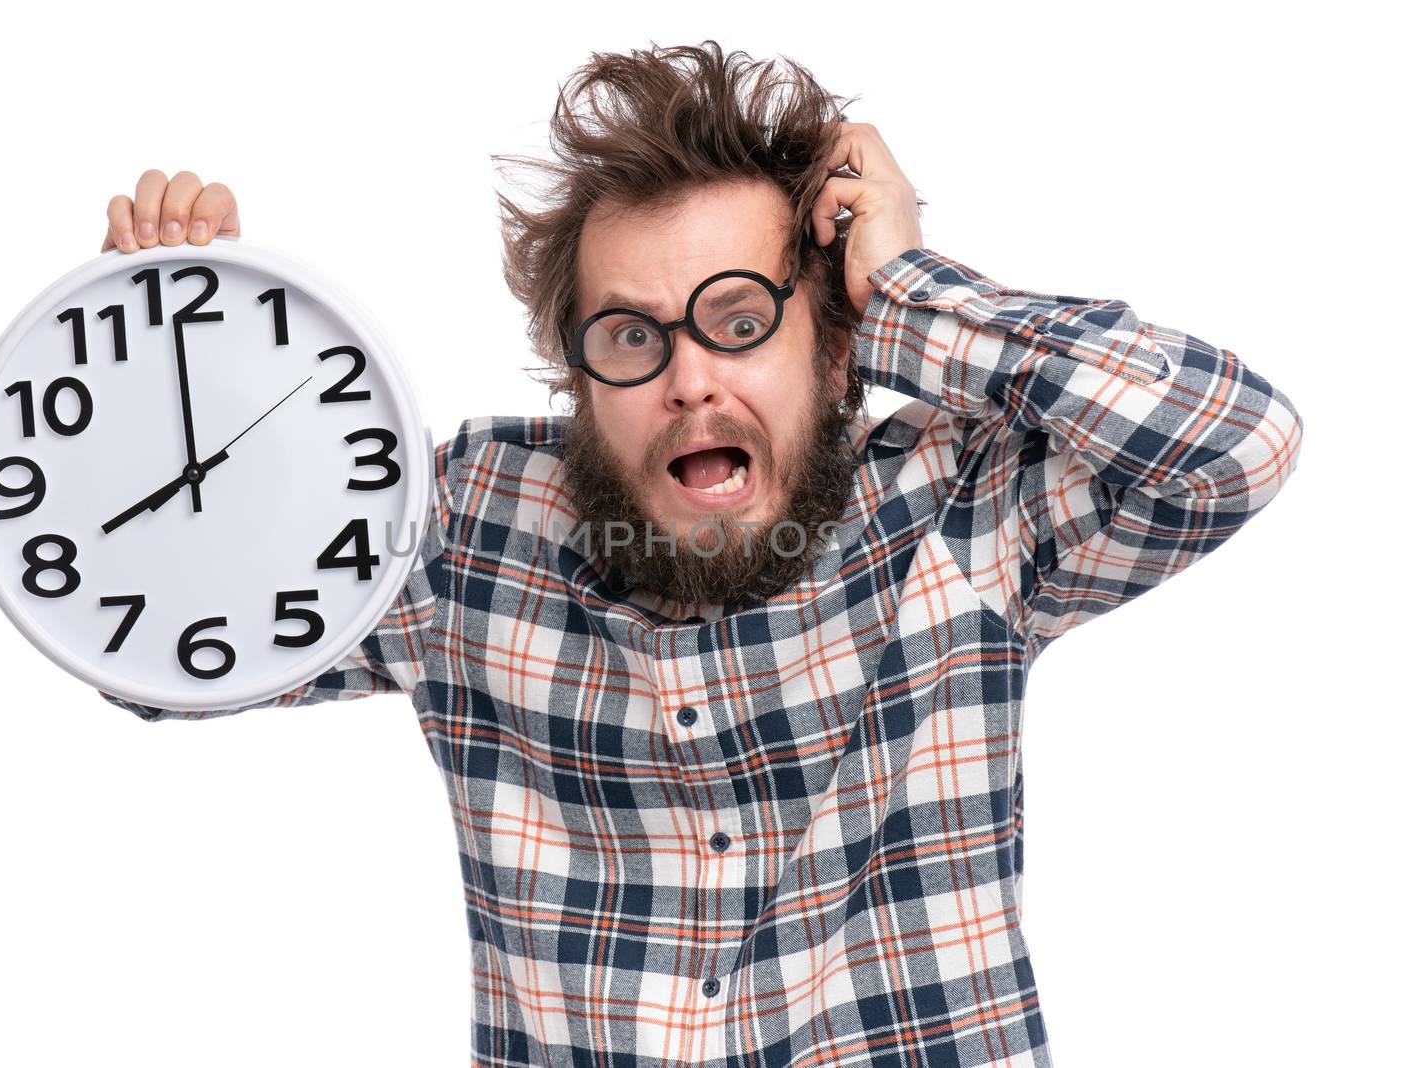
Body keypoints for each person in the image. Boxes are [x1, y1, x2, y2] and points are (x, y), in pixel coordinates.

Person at [97, 41, 1304, 1068]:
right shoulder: (463, 528)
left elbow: (1235, 444)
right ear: (577, 380)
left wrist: (905, 287)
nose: (687, 381)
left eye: (740, 322)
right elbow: (161, 661)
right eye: (629, 336)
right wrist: (172, 377)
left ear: (837, 351)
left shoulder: (959, 511)